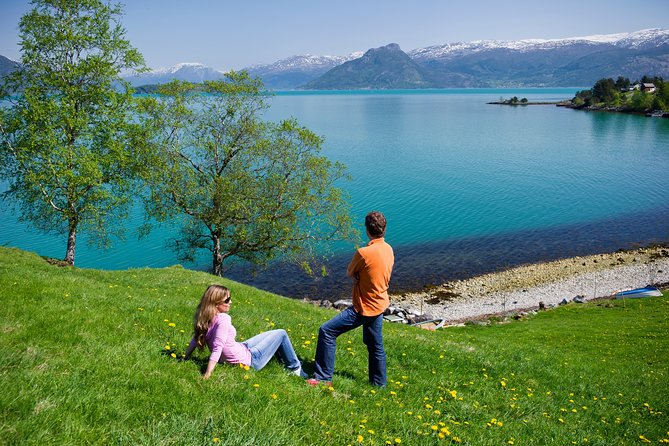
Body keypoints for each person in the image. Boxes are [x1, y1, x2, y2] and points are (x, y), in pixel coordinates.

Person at [307, 211, 394, 387]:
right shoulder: (388, 249)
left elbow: (350, 271)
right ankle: (379, 384)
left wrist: (357, 277)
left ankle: (323, 378)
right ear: (384, 229)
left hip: (363, 306)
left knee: (327, 331)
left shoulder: (363, 253)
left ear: (367, 230)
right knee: (374, 344)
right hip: (380, 303)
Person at [183, 284, 306, 379]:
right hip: (250, 361)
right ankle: (295, 369)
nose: (230, 302)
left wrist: (184, 358)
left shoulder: (205, 318)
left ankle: (284, 362)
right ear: (216, 303)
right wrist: (208, 373)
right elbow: (217, 347)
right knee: (281, 333)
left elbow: (195, 340)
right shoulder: (223, 319)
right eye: (227, 300)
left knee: (271, 336)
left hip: (241, 348)